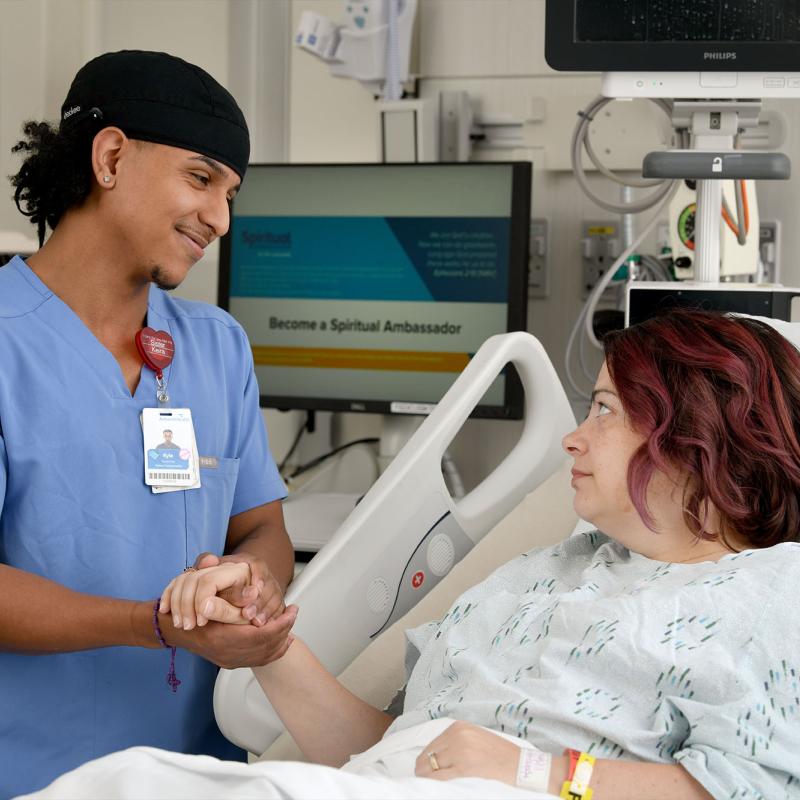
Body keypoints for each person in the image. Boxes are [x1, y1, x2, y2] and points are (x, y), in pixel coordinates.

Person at [24, 309, 800, 799]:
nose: (573, 435)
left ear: (695, 438)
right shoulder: (538, 571)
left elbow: (740, 789)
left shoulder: (773, 596)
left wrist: (537, 773)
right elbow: (390, 750)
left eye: (605, 411)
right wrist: (264, 636)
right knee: (122, 785)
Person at [0, 50, 295, 798]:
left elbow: (261, 527)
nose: (221, 218)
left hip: (201, 773)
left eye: (230, 193)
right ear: (111, 156)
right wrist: (156, 624)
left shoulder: (217, 346)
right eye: (200, 178)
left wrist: (255, 583)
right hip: (35, 775)